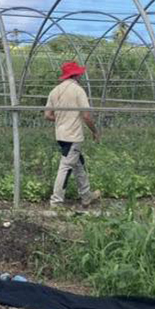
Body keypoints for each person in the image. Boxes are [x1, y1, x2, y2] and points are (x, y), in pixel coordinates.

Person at [44, 61, 101, 208]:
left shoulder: (54, 91)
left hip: (61, 135)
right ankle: (56, 201)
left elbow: (48, 115)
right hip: (73, 136)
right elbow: (86, 116)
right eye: (79, 74)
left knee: (78, 164)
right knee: (66, 167)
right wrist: (94, 131)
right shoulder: (77, 90)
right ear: (75, 75)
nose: (80, 76)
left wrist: (62, 118)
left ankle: (86, 195)